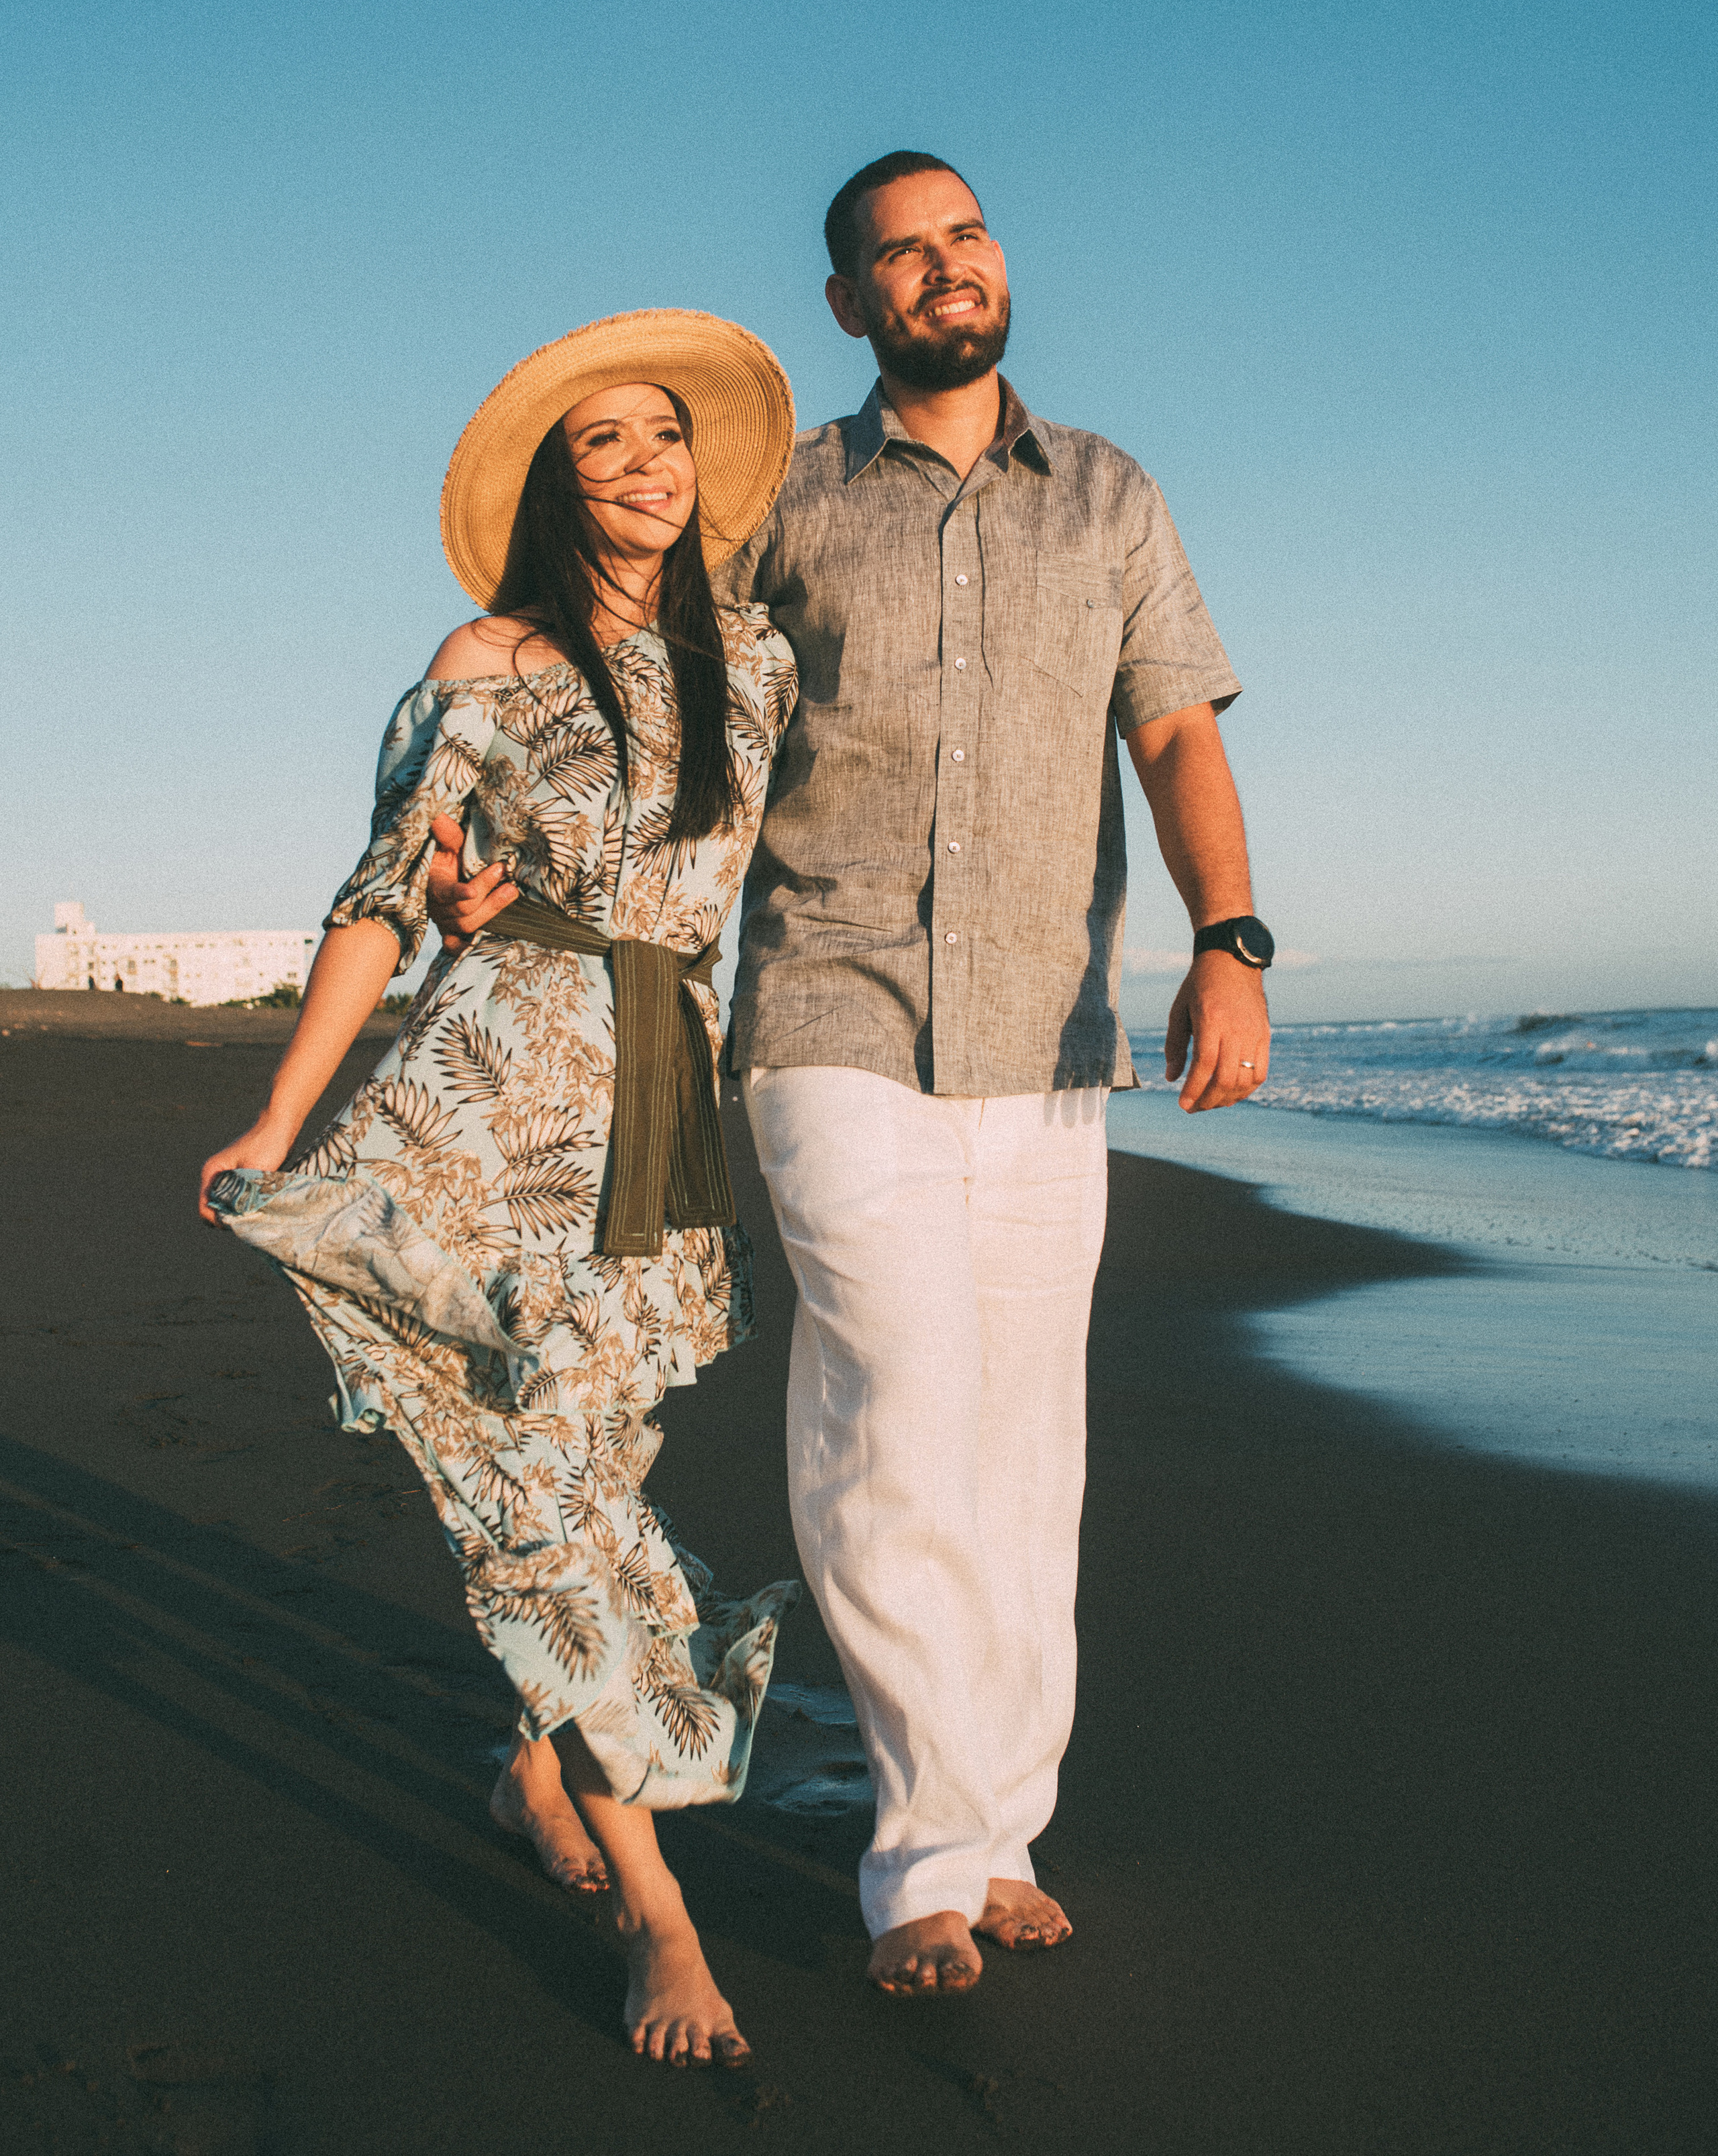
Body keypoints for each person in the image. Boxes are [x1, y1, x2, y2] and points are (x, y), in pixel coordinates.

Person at [429, 155, 1273, 1998]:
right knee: (896, 1411)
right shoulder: (785, 502)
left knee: (1026, 1451)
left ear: (998, 261)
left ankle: (998, 1828)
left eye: (964, 235)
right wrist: (492, 822)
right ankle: (928, 1861)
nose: (943, 266)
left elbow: (1173, 731)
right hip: (827, 1018)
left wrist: (1232, 935)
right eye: (901, 252)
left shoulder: (1111, 494)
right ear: (848, 303)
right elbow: (637, 666)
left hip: (1048, 1037)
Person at [198, 310, 801, 2067]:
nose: (644, 466)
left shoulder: (756, 661)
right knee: (537, 1505)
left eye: (664, 435)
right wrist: (281, 1115)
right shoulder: (494, 658)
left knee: (600, 1466)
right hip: (498, 1097)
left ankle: (538, 1762)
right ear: (556, 484)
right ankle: (660, 1921)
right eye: (603, 442)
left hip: (664, 1101)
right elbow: (388, 890)